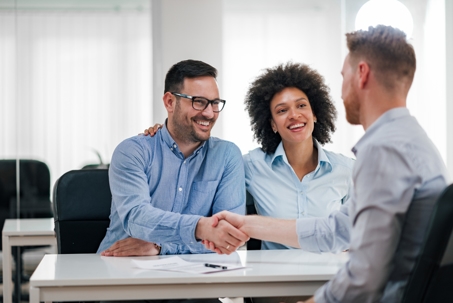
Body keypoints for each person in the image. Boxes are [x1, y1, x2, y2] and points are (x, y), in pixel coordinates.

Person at [206, 25, 450, 303]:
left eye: (343, 75)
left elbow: (365, 276)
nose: (342, 91)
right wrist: (248, 225)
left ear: (362, 73)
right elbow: (336, 230)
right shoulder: (411, 140)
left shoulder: (383, 150)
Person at [97, 59, 248, 260]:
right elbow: (137, 219)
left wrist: (162, 247)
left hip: (195, 278)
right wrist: (200, 228)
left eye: (214, 103)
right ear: (170, 102)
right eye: (199, 102)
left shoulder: (227, 156)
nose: (209, 113)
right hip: (123, 268)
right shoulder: (132, 151)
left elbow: (228, 237)